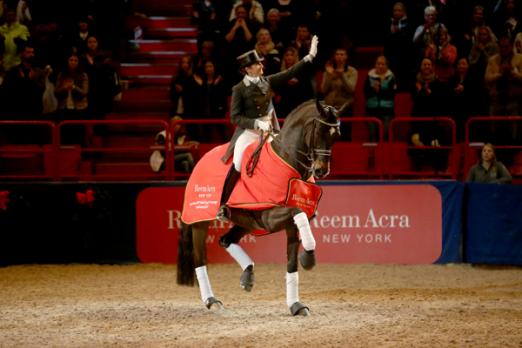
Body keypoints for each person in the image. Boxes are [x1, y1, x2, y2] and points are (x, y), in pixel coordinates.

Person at [216, 35, 319, 222]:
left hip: (269, 131)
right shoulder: (238, 89)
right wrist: (256, 123)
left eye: (260, 64)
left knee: (289, 157)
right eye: (257, 64)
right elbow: (235, 117)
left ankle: (304, 200)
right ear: (247, 69)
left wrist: (309, 56)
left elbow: (289, 72)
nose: (261, 66)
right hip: (248, 133)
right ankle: (222, 205)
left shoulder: (267, 81)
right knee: (238, 163)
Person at [364, 55, 397, 142]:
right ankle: (373, 155)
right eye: (378, 64)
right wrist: (373, 89)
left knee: (384, 135)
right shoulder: (369, 76)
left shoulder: (391, 77)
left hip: (387, 111)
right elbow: (365, 92)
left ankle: (383, 154)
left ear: (387, 66)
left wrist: (380, 90)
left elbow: (392, 94)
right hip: (371, 110)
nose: (380, 66)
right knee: (372, 135)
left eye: (383, 64)